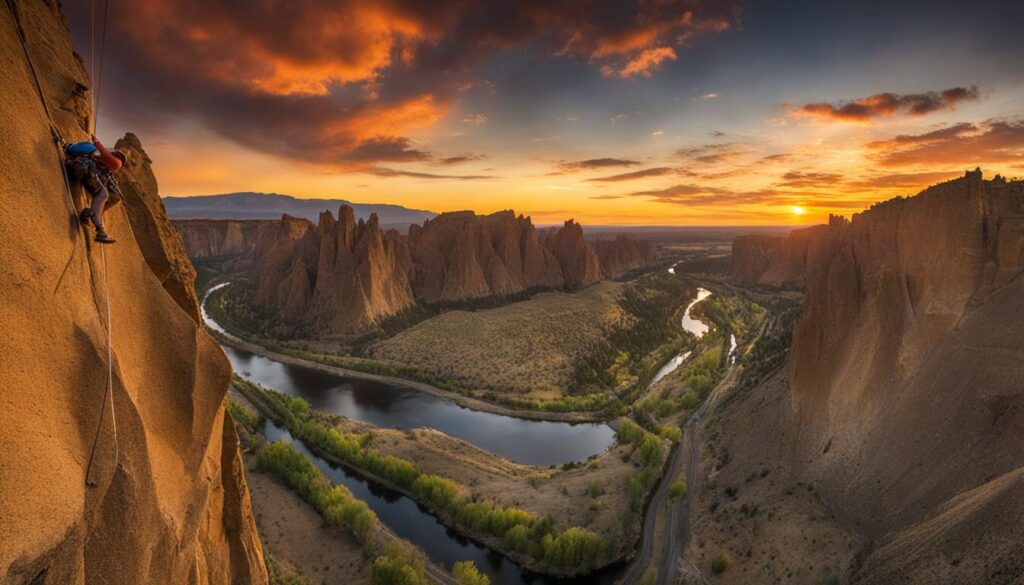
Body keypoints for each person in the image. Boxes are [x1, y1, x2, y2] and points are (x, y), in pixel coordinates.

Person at [66, 135, 127, 244]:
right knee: (103, 194)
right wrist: (97, 143)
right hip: (84, 168)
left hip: (80, 166)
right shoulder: (116, 162)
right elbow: (111, 159)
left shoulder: (97, 159)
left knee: (104, 194)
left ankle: (90, 215)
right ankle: (100, 231)